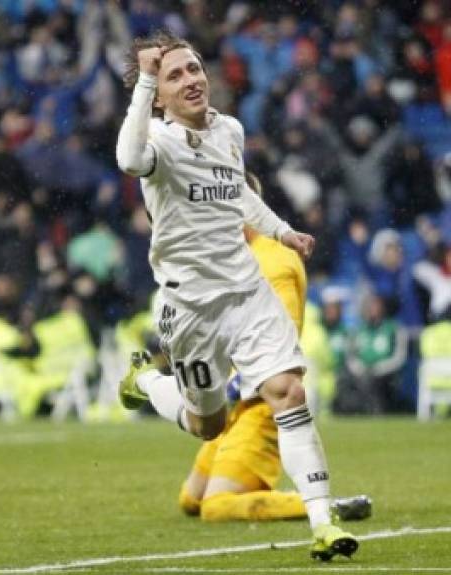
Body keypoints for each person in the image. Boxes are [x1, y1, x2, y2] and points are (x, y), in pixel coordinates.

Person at [113, 31, 357, 560]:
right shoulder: (158, 142)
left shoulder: (230, 131)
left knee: (289, 392)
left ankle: (323, 522)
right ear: (158, 94)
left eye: (194, 68)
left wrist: (282, 231)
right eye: (174, 75)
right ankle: (147, 382)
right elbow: (129, 161)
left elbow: (237, 192)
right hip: (191, 308)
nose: (190, 79)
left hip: (247, 292)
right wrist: (145, 79)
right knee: (209, 426)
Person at [177, 173, 371, 523]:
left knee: (215, 507)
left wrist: (235, 384)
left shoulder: (274, 261)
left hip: (261, 401)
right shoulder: (238, 256)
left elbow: (279, 338)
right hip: (232, 400)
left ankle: (321, 505)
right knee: (189, 499)